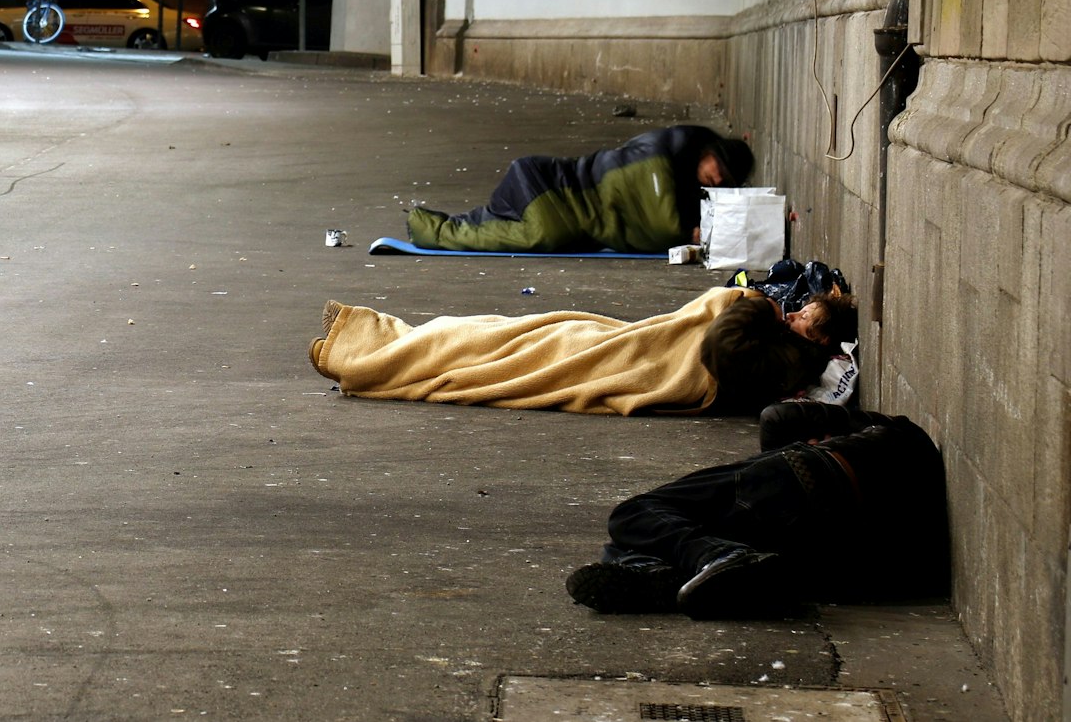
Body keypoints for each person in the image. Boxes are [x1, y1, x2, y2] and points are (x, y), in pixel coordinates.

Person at [565, 402, 949, 619]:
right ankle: (669, 568)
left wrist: (785, 450)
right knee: (652, 532)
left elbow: (776, 418)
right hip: (856, 554)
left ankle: (685, 562)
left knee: (634, 515)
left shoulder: (889, 434)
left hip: (815, 517)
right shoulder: (901, 443)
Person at [309, 283, 829, 417]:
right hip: (638, 344)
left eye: (808, 318)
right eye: (802, 309)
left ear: (820, 340)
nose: (797, 314)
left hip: (650, 366)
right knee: (505, 331)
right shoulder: (790, 348)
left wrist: (751, 303)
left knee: (505, 350)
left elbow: (717, 344)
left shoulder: (790, 355)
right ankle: (377, 341)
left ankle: (366, 353)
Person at [406, 125, 754, 254]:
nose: (719, 179)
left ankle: (444, 226)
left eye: (727, 180)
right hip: (547, 185)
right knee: (544, 231)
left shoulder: (691, 182)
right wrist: (683, 232)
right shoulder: (664, 151)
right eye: (718, 169)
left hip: (556, 192)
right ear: (710, 152)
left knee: (539, 231)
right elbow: (655, 222)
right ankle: (431, 228)